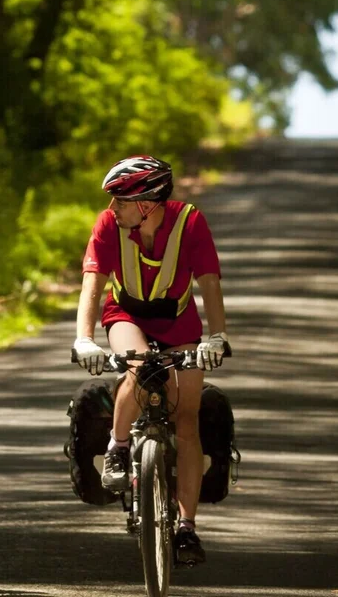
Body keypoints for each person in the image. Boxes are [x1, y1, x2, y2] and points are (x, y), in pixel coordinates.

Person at [71, 155, 230, 565]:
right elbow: (93, 284)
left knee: (187, 418)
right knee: (141, 367)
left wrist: (217, 336)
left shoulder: (190, 223)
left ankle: (187, 528)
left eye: (120, 202)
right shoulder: (108, 226)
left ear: (146, 204)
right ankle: (119, 446)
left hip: (178, 321)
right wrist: (84, 339)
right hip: (126, 314)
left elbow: (209, 280)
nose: (112, 209)